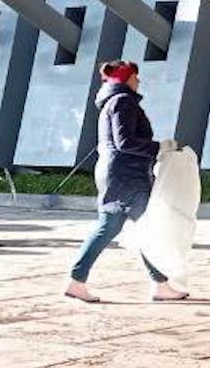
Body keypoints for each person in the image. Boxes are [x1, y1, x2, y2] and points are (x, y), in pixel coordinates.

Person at [65, 60, 186, 303]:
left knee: (111, 227)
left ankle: (76, 282)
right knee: (147, 228)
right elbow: (125, 142)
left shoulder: (112, 101)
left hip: (116, 172)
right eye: (135, 76)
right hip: (127, 175)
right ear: (126, 78)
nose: (138, 81)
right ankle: (160, 285)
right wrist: (159, 147)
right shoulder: (123, 102)